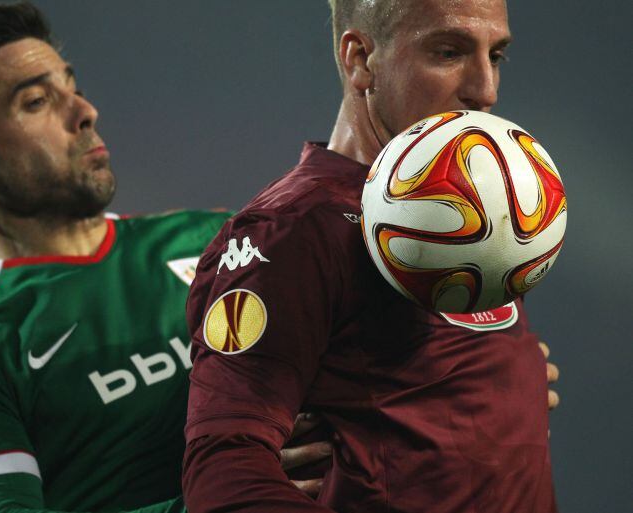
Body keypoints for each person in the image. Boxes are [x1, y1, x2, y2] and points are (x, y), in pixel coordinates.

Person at [0, 3, 331, 512]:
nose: (83, 111)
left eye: (72, 86)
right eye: (35, 102)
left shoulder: (216, 238)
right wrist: (221, 502)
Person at [183, 1, 560, 512]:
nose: (485, 90)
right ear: (361, 58)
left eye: (495, 56)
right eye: (448, 52)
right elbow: (225, 472)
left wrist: (509, 390)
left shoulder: (469, 205)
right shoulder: (291, 231)